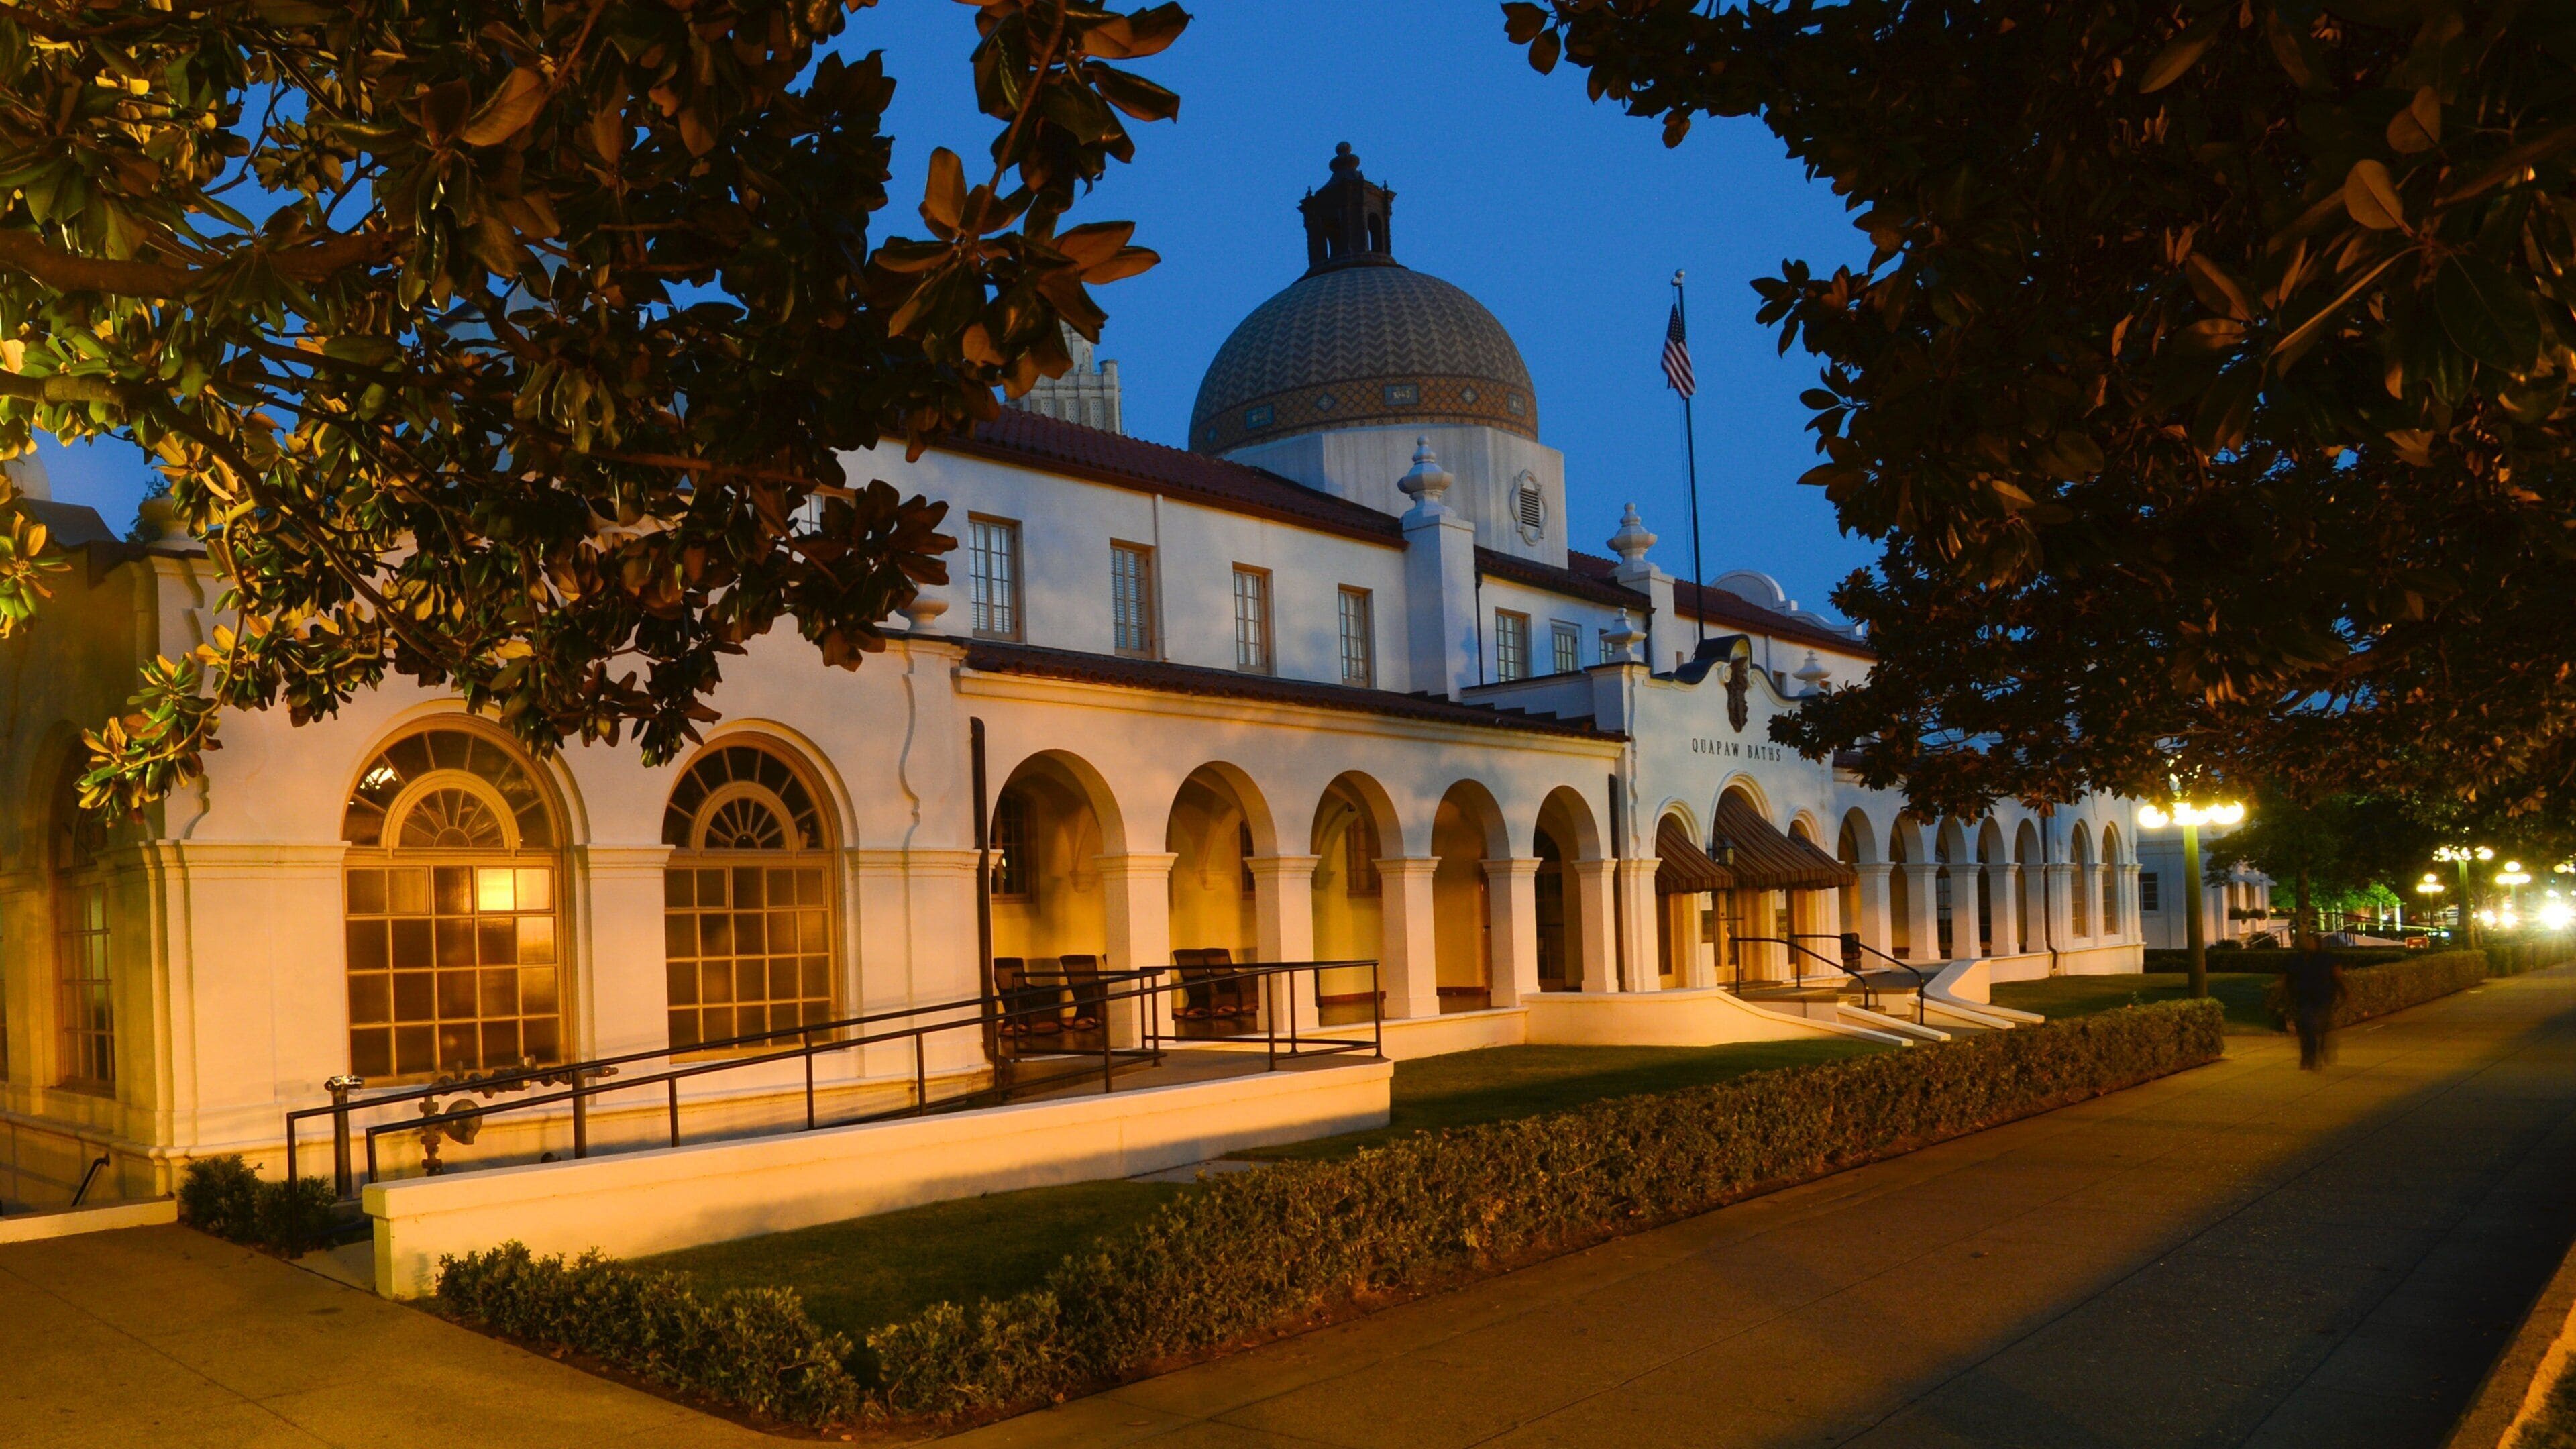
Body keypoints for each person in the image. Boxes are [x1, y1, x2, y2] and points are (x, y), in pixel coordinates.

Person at [2281, 928, 2346, 1070]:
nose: (2308, 944)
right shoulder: (2296, 959)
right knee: (2307, 1028)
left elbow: (2338, 976)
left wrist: (2343, 993)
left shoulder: (2328, 958)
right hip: (2303, 998)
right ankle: (2309, 1057)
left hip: (2323, 997)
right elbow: (2287, 978)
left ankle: (2318, 1053)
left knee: (2320, 1028)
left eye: (2311, 941)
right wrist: (2284, 994)